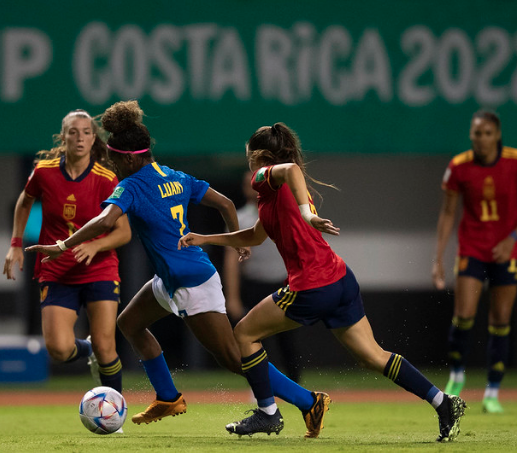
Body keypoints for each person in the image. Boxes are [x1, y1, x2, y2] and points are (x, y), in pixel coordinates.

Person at [26, 101, 331, 439]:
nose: (110, 163)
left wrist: (62, 245)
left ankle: (308, 401)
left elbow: (105, 221)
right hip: (171, 279)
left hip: (191, 282)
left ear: (128, 158)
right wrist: (236, 241)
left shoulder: (132, 185)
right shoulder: (174, 175)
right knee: (129, 323)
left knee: (233, 358)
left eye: (113, 158)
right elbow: (226, 204)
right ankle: (168, 397)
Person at [178, 122, 466, 442]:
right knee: (372, 355)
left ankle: (269, 413)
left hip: (312, 285)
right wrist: (207, 238)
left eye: (249, 158)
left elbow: (288, 169)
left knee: (244, 332)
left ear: (259, 156)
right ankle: (443, 403)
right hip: (339, 279)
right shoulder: (271, 196)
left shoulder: (265, 176)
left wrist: (307, 214)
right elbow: (256, 235)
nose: (248, 168)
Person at [3, 109, 131, 394]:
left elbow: (124, 232)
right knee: (59, 349)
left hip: (99, 268)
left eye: (86, 132)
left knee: (106, 344)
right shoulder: (44, 171)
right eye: (73, 132)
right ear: (63, 137)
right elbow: (25, 202)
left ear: (93, 138)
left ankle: (114, 412)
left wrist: (95, 244)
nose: (80, 138)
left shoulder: (105, 178)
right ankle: (90, 351)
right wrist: (15, 244)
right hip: (57, 270)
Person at [432, 110, 517, 414]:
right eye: (477, 133)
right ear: (471, 135)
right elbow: (448, 213)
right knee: (464, 313)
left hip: (508, 251)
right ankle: (456, 375)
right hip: (472, 248)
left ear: (497, 135)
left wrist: (512, 239)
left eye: (487, 133)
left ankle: (492, 391)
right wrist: (438, 258)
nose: (481, 139)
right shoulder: (459, 166)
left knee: (500, 320)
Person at [223, 170, 302, 383]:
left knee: (288, 342)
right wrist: (232, 298)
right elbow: (231, 260)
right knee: (254, 340)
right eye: (248, 183)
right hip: (255, 285)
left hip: (283, 284)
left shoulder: (284, 212)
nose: (252, 187)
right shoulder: (239, 218)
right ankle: (261, 386)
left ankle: (296, 387)